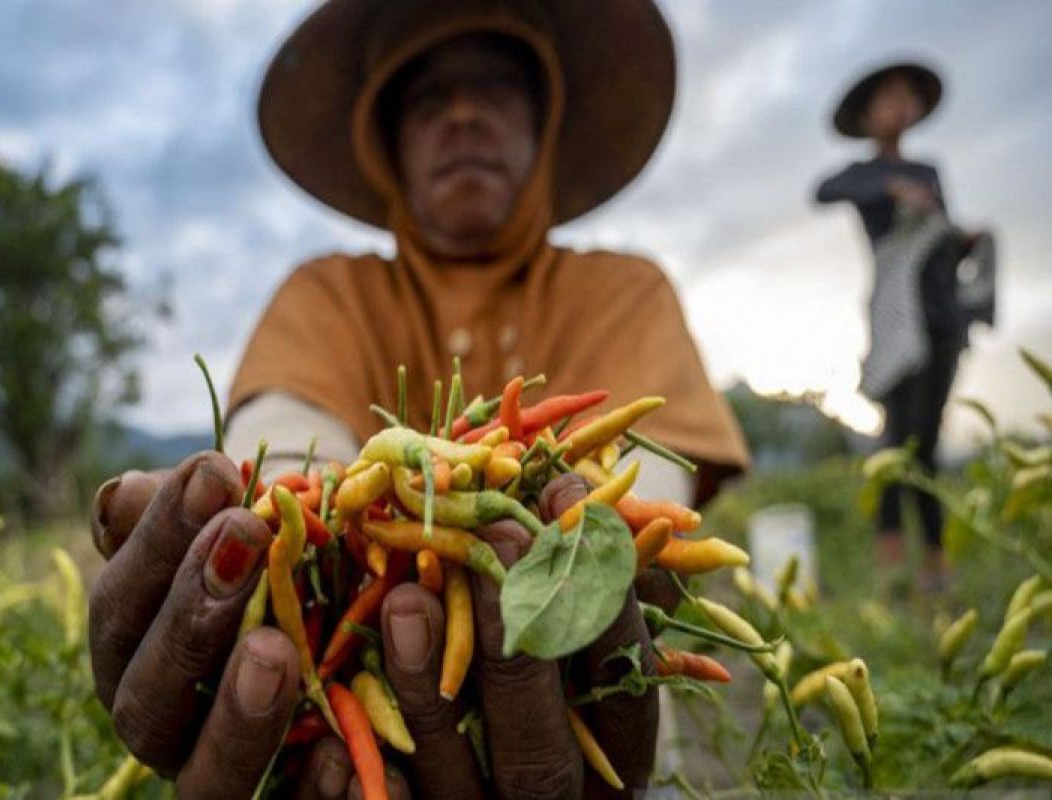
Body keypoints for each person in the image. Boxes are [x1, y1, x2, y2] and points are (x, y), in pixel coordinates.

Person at [88, 1, 748, 796]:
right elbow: (294, 465)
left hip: (606, 746)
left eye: (496, 88)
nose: (464, 114)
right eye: (430, 98)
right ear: (387, 143)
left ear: (544, 125)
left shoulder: (623, 292)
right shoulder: (326, 297)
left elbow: (642, 506)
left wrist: (572, 548)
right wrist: (285, 528)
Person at [814, 62, 994, 585]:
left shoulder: (931, 171)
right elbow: (823, 191)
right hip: (897, 323)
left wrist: (964, 241)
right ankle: (892, 558)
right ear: (868, 115)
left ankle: (934, 562)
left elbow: (941, 245)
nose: (900, 105)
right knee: (899, 436)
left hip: (941, 318)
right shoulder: (864, 177)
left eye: (906, 97)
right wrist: (892, 188)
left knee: (927, 436)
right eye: (889, 97)